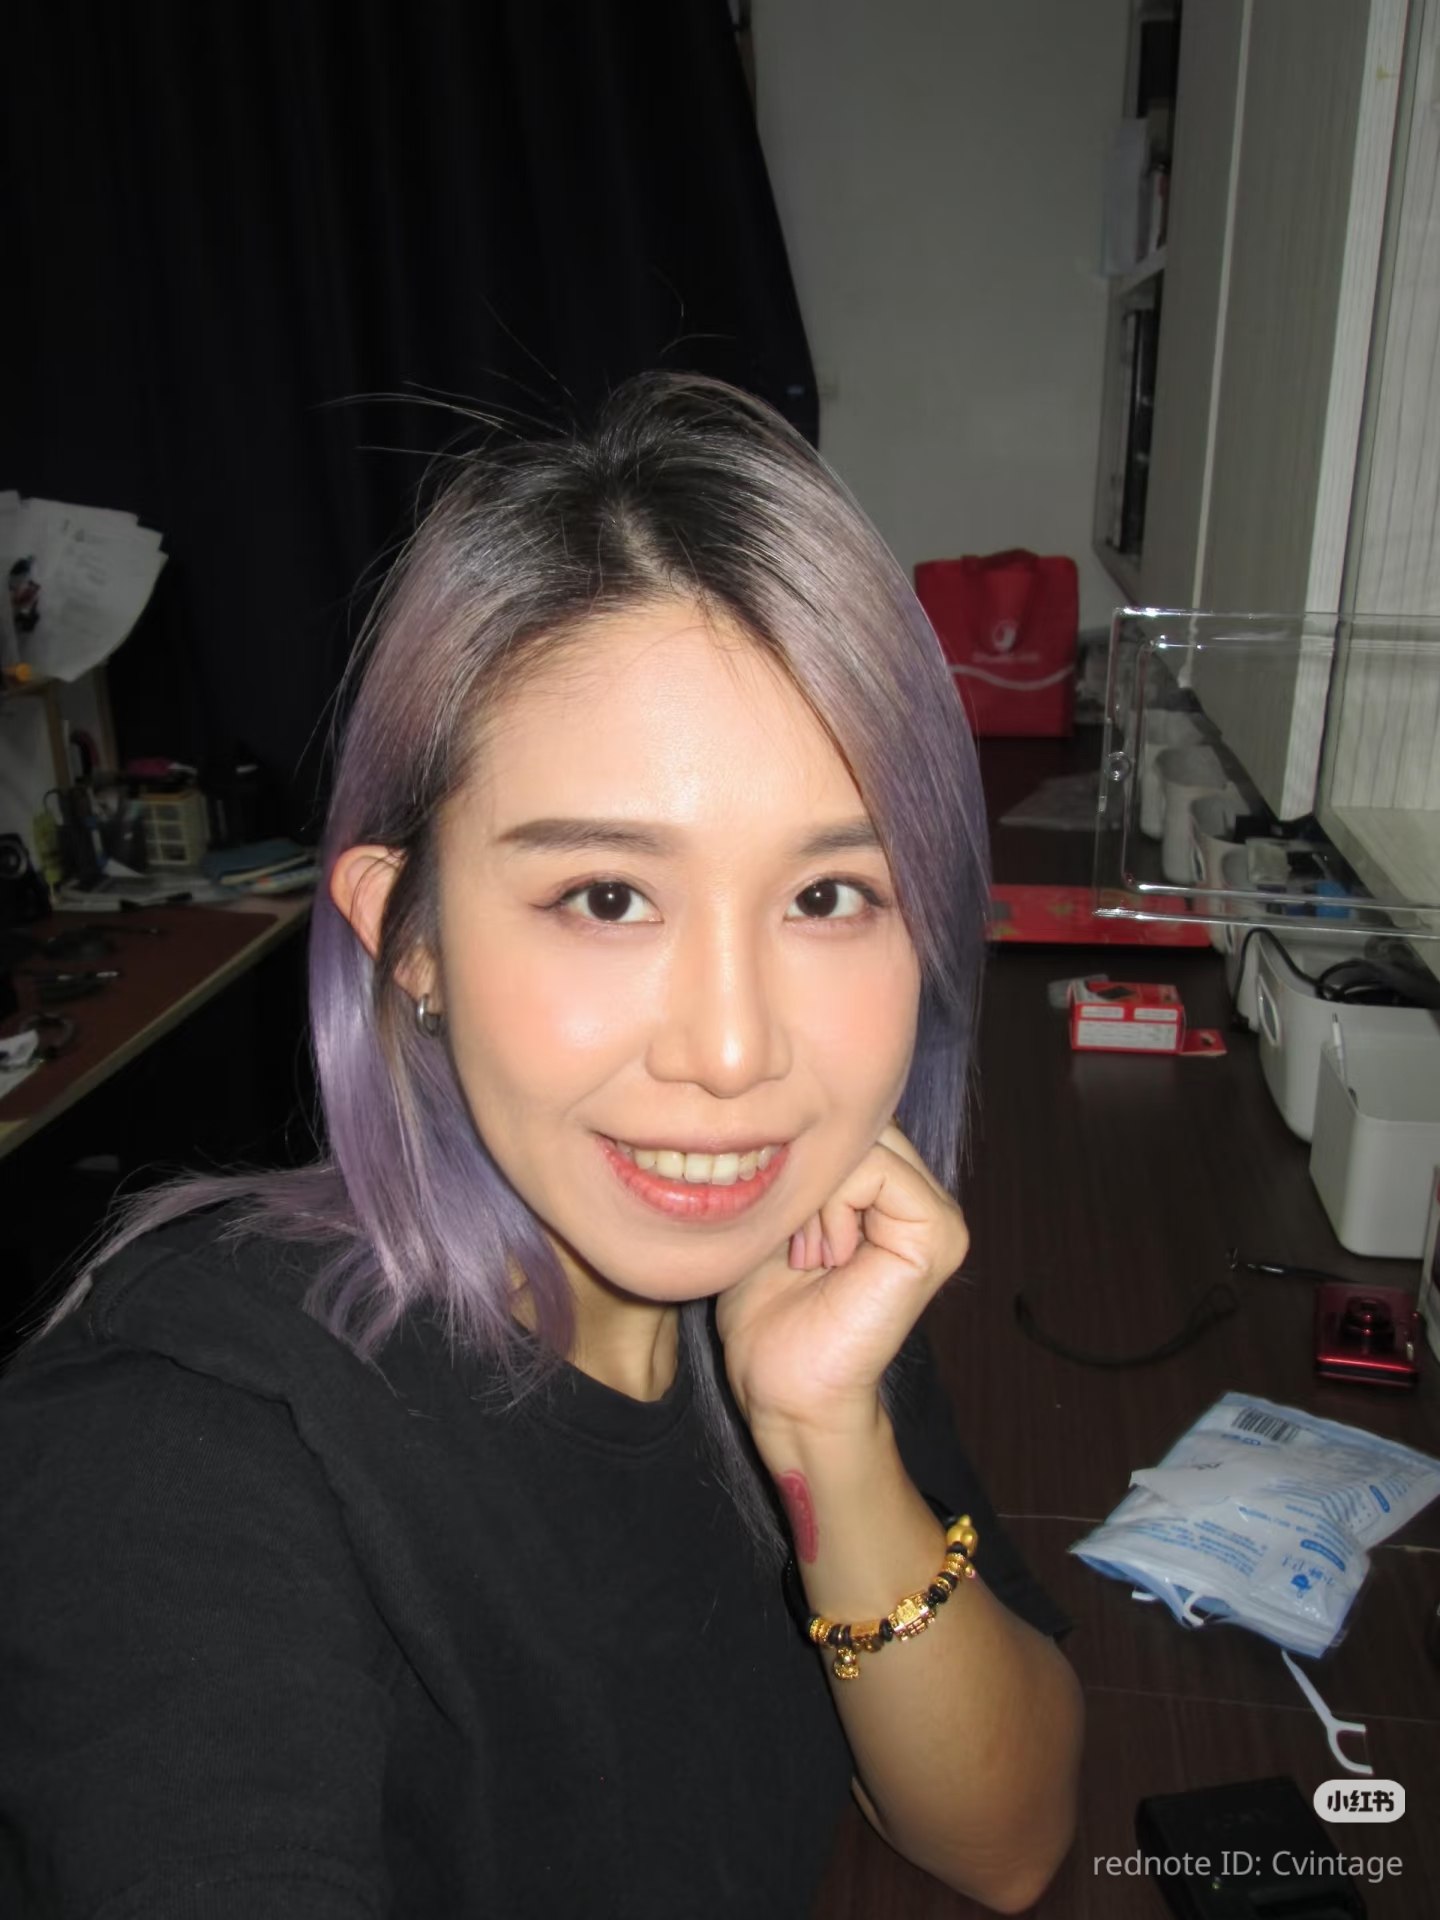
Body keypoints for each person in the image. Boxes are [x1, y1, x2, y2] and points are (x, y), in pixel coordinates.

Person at [0, 375, 1083, 1918]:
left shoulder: (799, 1266)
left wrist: (825, 1435)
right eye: (607, 898)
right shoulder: (185, 1450)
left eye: (829, 896)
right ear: (408, 940)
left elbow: (1008, 1843)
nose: (733, 1056)